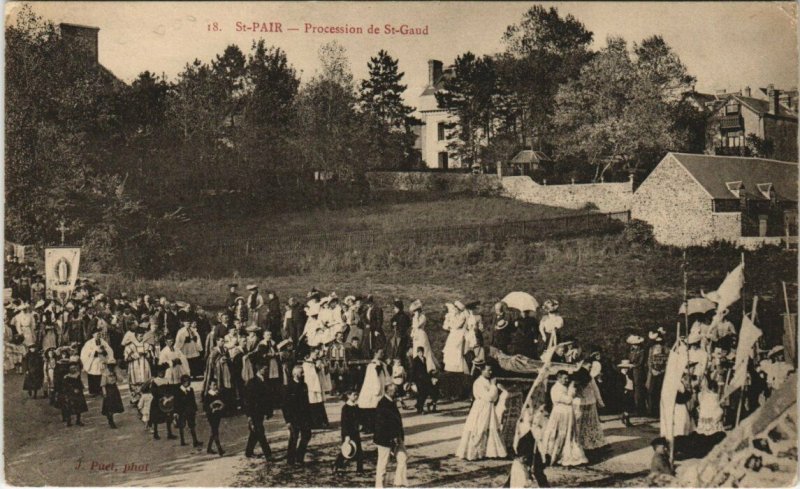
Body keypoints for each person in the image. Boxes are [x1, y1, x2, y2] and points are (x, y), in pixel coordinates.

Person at [455, 364, 508, 460]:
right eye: (488, 370)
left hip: (489, 408)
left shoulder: (488, 382)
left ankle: (487, 452)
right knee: (479, 428)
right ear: (482, 371)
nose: (490, 372)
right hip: (481, 408)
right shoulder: (478, 382)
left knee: (490, 427)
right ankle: (474, 453)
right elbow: (489, 397)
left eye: (491, 370)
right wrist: (493, 386)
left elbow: (494, 398)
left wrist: (494, 387)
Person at [541, 370, 587, 466]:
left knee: (569, 433)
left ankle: (566, 453)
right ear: (558, 378)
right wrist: (571, 393)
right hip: (560, 413)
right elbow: (568, 400)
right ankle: (553, 454)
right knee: (558, 433)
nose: (566, 380)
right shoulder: (555, 388)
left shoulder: (564, 387)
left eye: (567, 378)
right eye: (564, 378)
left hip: (567, 413)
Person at [374, 383, 407, 488]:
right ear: (388, 391)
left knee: (403, 458)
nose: (397, 392)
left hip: (396, 438)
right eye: (395, 391)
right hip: (385, 439)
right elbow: (383, 424)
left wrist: (398, 436)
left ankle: (399, 482)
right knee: (383, 463)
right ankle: (379, 486)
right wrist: (393, 437)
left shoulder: (391, 402)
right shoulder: (382, 403)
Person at [284, 365, 312, 466]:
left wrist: (310, 416)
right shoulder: (289, 387)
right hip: (294, 418)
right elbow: (285, 406)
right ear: (295, 374)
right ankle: (290, 461)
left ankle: (299, 457)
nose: (303, 374)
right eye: (301, 373)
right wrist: (288, 421)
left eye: (303, 372)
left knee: (307, 435)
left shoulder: (304, 385)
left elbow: (307, 402)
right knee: (293, 438)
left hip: (304, 417)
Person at [572, 368, 606, 451]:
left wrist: (600, 401)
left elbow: (596, 390)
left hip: (586, 404)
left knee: (585, 424)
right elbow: (596, 390)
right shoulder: (577, 380)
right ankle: (584, 444)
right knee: (586, 425)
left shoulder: (589, 379)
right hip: (582, 404)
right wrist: (600, 401)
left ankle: (588, 443)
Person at [244, 364, 273, 461]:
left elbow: (268, 398)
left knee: (255, 432)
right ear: (259, 369)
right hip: (254, 412)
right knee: (260, 432)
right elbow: (247, 401)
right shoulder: (252, 382)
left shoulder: (265, 380)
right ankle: (268, 455)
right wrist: (249, 416)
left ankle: (248, 452)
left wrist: (269, 412)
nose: (267, 370)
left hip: (261, 412)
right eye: (265, 369)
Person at [358, 349, 389, 434]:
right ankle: (368, 427)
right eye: (380, 353)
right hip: (372, 390)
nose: (382, 354)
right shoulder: (371, 366)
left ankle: (376, 427)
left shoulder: (383, 364)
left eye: (383, 352)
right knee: (370, 409)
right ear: (375, 353)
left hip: (380, 389)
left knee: (377, 409)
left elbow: (387, 377)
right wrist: (376, 390)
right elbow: (372, 379)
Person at [334, 390, 364, 475]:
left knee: (359, 451)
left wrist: (361, 424)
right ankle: (336, 464)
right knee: (346, 450)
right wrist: (347, 435)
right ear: (348, 396)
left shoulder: (356, 406)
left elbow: (359, 417)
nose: (356, 396)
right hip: (348, 433)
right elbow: (344, 423)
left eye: (357, 395)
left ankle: (360, 469)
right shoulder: (345, 408)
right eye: (354, 395)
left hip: (355, 432)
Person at [80, 328, 114, 396]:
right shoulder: (89, 343)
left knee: (101, 375)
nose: (98, 335)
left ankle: (100, 390)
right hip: (93, 361)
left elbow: (109, 350)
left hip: (101, 360)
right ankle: (93, 391)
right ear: (93, 335)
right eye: (97, 334)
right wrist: (94, 351)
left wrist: (104, 352)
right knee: (92, 375)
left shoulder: (103, 341)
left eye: (99, 334)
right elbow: (85, 353)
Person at [124, 328, 153, 404]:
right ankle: (135, 398)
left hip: (144, 366)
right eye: (140, 336)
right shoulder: (130, 346)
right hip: (134, 366)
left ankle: (144, 398)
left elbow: (151, 357)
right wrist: (136, 355)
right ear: (136, 336)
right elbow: (126, 359)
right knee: (135, 382)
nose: (141, 337)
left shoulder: (146, 345)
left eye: (142, 336)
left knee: (145, 381)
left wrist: (147, 355)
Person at [409, 300, 438, 372]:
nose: (415, 313)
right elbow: (414, 327)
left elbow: (417, 325)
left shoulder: (423, 317)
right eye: (414, 311)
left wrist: (416, 317)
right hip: (416, 336)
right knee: (416, 350)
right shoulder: (414, 318)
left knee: (424, 351)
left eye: (416, 311)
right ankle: (418, 368)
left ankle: (428, 368)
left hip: (421, 335)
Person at [150, 364, 178, 440]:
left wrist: (169, 397)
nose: (161, 373)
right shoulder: (155, 381)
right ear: (157, 372)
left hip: (166, 401)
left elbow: (169, 390)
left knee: (168, 417)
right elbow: (153, 391)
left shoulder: (166, 380)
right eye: (160, 372)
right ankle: (156, 433)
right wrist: (161, 397)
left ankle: (169, 433)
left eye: (163, 371)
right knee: (156, 418)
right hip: (157, 400)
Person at [175, 374, 203, 447]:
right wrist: (176, 412)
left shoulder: (191, 390)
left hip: (190, 411)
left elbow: (193, 400)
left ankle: (195, 441)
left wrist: (195, 409)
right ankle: (182, 441)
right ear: (182, 382)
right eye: (184, 381)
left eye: (187, 381)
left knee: (192, 425)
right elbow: (176, 402)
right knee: (181, 426)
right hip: (182, 411)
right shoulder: (178, 391)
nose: (186, 383)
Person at [442, 302, 468, 374]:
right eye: (455, 308)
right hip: (453, 334)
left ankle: (457, 368)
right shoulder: (453, 316)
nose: (455, 310)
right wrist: (448, 321)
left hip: (459, 335)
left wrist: (450, 324)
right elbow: (445, 326)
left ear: (459, 310)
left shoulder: (462, 316)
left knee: (457, 350)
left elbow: (456, 326)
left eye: (456, 308)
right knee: (450, 350)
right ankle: (450, 366)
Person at [646, 331, 667, 417]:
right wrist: (652, 370)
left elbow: (667, 362)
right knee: (651, 391)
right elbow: (649, 361)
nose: (658, 344)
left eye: (660, 342)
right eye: (656, 342)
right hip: (653, 373)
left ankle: (660, 412)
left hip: (662, 374)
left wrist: (661, 371)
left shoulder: (665, 349)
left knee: (660, 391)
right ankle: (652, 411)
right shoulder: (651, 349)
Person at [203, 379, 226, 456]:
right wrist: (211, 409)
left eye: (216, 385)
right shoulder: (207, 395)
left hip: (217, 414)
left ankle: (209, 448)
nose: (215, 386)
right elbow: (205, 407)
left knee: (214, 431)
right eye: (213, 385)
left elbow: (222, 403)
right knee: (215, 431)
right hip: (211, 415)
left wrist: (221, 407)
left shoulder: (218, 394)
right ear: (209, 386)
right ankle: (220, 449)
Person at [627, 334, 647, 415]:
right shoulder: (632, 351)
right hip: (632, 371)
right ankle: (635, 407)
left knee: (638, 390)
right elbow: (630, 360)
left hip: (639, 372)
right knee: (633, 389)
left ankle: (640, 409)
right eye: (633, 344)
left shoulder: (641, 352)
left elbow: (640, 363)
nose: (634, 346)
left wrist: (633, 365)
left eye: (635, 344)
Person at [101, 359, 124, 428]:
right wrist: (104, 393)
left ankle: (111, 418)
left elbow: (121, 380)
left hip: (114, 389)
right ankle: (111, 420)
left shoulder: (115, 372)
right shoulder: (105, 373)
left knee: (114, 405)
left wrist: (117, 374)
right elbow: (103, 384)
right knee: (109, 406)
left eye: (113, 366)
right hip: (108, 389)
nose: (111, 367)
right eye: (110, 366)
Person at [410, 347, 433, 414]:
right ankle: (420, 409)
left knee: (425, 393)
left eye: (422, 352)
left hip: (425, 379)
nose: (421, 353)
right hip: (418, 380)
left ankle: (418, 405)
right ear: (417, 353)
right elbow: (413, 371)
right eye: (420, 352)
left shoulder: (424, 359)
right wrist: (412, 381)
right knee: (421, 394)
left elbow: (425, 370)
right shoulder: (415, 360)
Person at [388, 299, 411, 367]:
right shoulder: (399, 316)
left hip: (400, 337)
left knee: (399, 353)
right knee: (398, 352)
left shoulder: (402, 316)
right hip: (399, 337)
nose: (394, 309)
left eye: (395, 308)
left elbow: (404, 327)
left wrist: (396, 325)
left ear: (398, 308)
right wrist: (393, 324)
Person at [361, 296, 385, 360]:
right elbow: (363, 318)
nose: (368, 305)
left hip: (375, 330)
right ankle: (368, 357)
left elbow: (379, 320)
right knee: (367, 344)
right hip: (368, 330)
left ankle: (377, 358)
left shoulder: (378, 309)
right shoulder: (366, 310)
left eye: (369, 303)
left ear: (372, 302)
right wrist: (366, 324)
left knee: (376, 344)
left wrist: (377, 329)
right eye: (367, 303)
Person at [618, 359, 635, 427]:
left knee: (629, 405)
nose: (626, 369)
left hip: (630, 390)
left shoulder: (629, 374)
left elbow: (631, 381)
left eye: (627, 368)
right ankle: (627, 421)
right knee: (626, 405)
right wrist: (623, 390)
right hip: (625, 391)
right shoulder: (620, 375)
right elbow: (619, 385)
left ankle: (624, 418)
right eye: (624, 368)